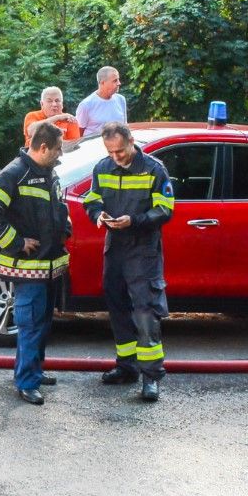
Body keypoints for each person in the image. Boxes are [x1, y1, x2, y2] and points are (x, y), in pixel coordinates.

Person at [82, 121, 175, 401]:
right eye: (110, 152)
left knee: (146, 312)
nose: (116, 157)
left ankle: (151, 377)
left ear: (131, 141)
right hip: (116, 249)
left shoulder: (154, 169)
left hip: (143, 250)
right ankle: (127, 368)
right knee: (118, 307)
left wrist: (134, 221)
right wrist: (97, 215)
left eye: (120, 151)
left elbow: (166, 209)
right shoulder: (103, 167)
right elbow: (92, 199)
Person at [0, 122, 71, 406]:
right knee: (30, 324)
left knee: (42, 323)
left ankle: (33, 370)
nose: (60, 155)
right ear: (43, 147)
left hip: (49, 265)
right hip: (27, 267)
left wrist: (64, 225)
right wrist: (16, 242)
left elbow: (59, 205)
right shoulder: (15, 174)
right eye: (57, 150)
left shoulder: (47, 171)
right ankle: (27, 383)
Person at [74, 66, 128, 138]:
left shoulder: (121, 99)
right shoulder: (86, 105)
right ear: (102, 83)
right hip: (94, 147)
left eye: (118, 80)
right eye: (115, 81)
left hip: (118, 147)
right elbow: (78, 134)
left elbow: (125, 127)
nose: (119, 83)